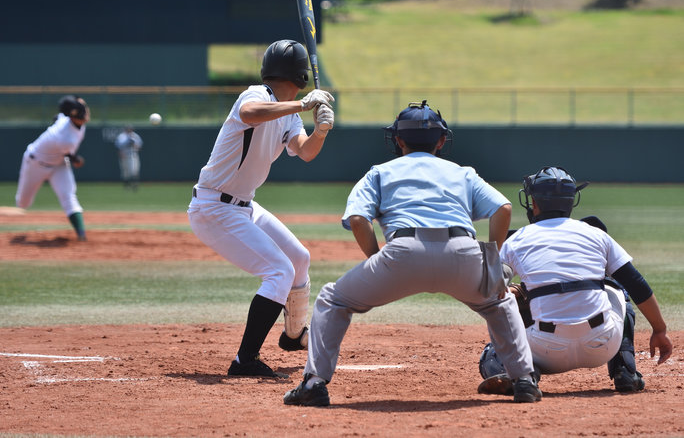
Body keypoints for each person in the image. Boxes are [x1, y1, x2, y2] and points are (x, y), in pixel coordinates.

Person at [283, 100, 541, 407]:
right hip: (463, 253)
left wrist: (376, 259)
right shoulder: (463, 173)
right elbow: (504, 208)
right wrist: (491, 262)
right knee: (500, 301)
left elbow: (358, 220)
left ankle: (313, 384)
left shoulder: (379, 172)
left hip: (402, 253)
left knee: (333, 300)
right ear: (442, 140)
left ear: (398, 140)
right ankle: (524, 380)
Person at [187, 39, 335, 378]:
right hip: (213, 206)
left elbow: (306, 151)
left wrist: (321, 131)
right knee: (279, 271)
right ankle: (245, 360)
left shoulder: (287, 115)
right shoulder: (256, 95)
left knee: (299, 259)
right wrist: (301, 105)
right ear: (300, 77)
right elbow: (249, 114)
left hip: (243, 206)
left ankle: (294, 335)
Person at [477, 166, 673, 395]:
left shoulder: (517, 239)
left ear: (535, 204)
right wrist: (659, 330)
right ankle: (624, 369)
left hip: (545, 350)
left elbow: (488, 290)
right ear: (571, 202)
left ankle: (526, 374)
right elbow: (637, 284)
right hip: (603, 344)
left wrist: (515, 291)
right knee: (615, 287)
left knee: (491, 356)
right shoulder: (597, 234)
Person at [15, 95, 91, 241]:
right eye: (83, 111)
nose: (87, 112)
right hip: (36, 163)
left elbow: (60, 114)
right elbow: (70, 156)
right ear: (76, 116)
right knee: (23, 203)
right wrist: (78, 161)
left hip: (58, 165)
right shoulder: (66, 138)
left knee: (68, 196)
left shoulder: (68, 119)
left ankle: (82, 235)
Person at [115, 125, 143, 190]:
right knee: (125, 172)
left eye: (131, 129)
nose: (130, 130)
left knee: (134, 170)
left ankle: (135, 185)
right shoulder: (122, 136)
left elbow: (139, 146)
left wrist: (134, 144)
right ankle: (126, 185)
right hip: (125, 155)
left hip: (133, 155)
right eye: (128, 129)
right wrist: (128, 142)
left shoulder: (135, 136)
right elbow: (119, 146)